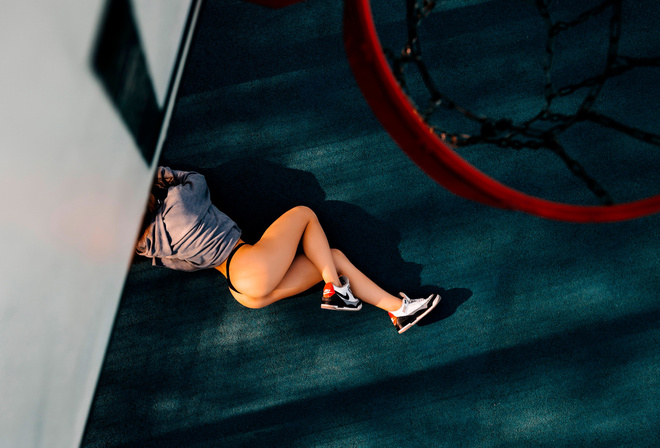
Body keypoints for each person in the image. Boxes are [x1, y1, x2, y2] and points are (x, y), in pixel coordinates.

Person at [136, 167, 440, 334]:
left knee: (331, 259)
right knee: (304, 213)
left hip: (241, 292)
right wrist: (156, 174)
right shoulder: (179, 202)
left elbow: (186, 265)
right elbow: (194, 179)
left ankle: (399, 310)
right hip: (246, 262)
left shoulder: (150, 247)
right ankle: (335, 291)